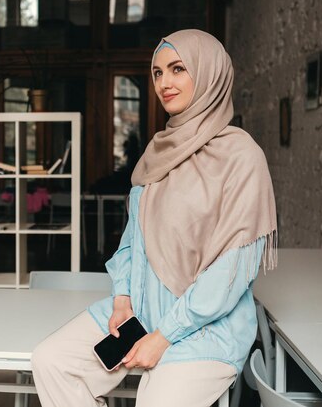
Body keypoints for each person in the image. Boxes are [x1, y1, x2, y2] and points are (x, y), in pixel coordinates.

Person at [31, 29, 277, 407]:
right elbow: (133, 239)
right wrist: (122, 300)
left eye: (178, 69)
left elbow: (232, 273)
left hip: (203, 328)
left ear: (210, 74)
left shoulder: (242, 157)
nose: (165, 82)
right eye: (158, 73)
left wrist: (164, 335)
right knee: (51, 362)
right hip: (139, 311)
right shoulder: (158, 151)